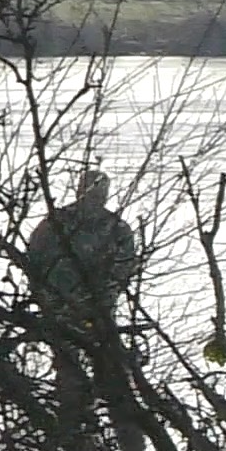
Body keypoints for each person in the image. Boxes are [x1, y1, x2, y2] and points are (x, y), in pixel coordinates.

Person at [21, 169, 142, 413]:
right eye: (91, 189)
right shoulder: (55, 223)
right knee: (67, 367)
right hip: (59, 308)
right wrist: (45, 297)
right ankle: (73, 416)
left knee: (111, 369)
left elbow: (125, 268)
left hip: (100, 311)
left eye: (100, 191)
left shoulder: (117, 228)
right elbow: (33, 261)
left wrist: (105, 297)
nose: (95, 196)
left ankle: (115, 413)